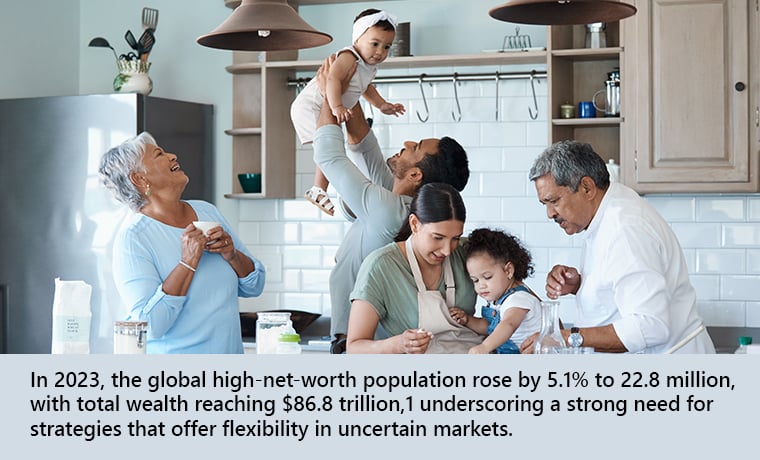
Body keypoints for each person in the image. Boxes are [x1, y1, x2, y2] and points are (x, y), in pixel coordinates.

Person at [311, 57, 470, 353]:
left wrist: (326, 97)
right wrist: (347, 83)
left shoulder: (388, 210)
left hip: (367, 345)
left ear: (415, 175)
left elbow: (330, 156)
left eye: (417, 147)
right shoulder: (395, 197)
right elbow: (360, 139)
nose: (408, 142)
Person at [520, 140, 715, 354]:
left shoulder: (624, 228)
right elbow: (622, 286)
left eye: (554, 201)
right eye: (545, 204)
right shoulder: (608, 209)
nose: (550, 214)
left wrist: (566, 337)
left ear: (587, 188)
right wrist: (581, 285)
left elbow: (651, 326)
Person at [99, 132, 266, 354]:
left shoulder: (206, 211)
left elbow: (255, 285)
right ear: (139, 179)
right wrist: (187, 263)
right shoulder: (133, 239)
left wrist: (232, 254)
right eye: (159, 154)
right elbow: (152, 325)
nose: (173, 156)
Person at [291, 8, 405, 216]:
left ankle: (319, 189)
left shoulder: (367, 67)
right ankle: (318, 188)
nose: (380, 51)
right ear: (358, 38)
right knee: (328, 148)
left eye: (387, 46)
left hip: (328, 106)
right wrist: (336, 106)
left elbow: (366, 88)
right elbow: (333, 79)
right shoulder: (348, 56)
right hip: (311, 106)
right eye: (375, 44)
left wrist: (382, 105)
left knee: (329, 148)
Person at [347, 183, 484, 354]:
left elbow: (517, 293)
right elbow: (354, 348)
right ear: (414, 224)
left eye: (455, 238)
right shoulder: (380, 266)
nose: (447, 250)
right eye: (438, 237)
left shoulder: (468, 252)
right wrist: (398, 344)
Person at [449, 228, 542, 354]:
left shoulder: (518, 298)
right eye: (475, 280)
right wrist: (468, 320)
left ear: (508, 270)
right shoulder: (498, 301)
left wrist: (485, 347)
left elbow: (508, 325)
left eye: (487, 277)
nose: (481, 286)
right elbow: (489, 327)